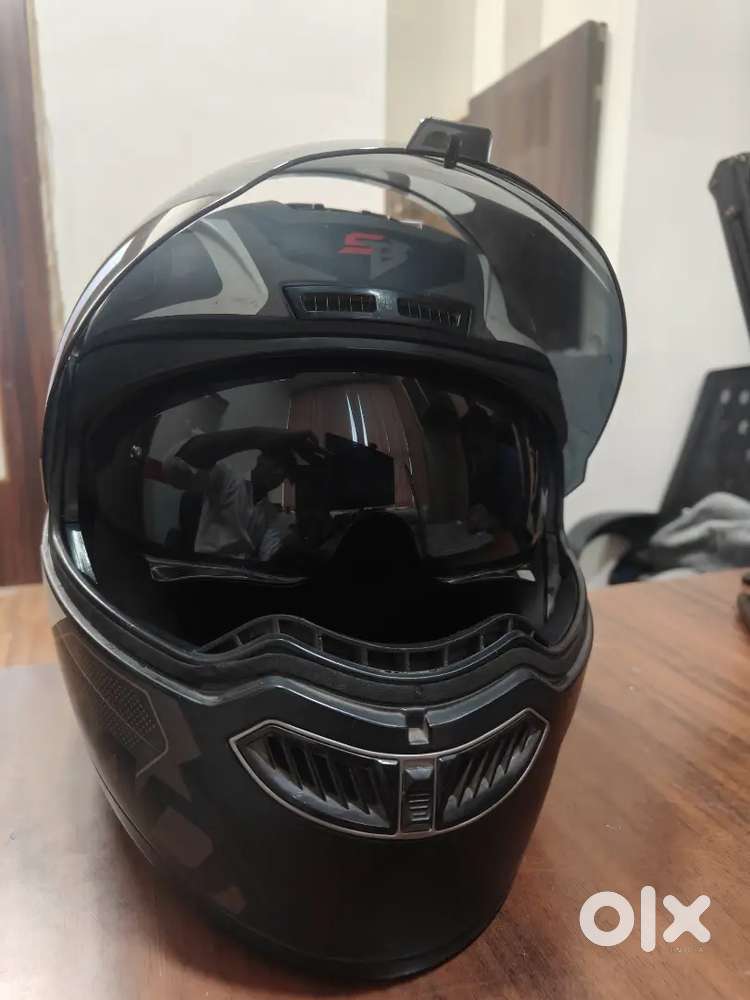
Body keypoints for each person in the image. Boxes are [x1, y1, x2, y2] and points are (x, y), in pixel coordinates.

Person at [160, 427, 322, 561]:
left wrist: (294, 544)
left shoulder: (271, 514)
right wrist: (257, 437)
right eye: (276, 464)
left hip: (244, 577)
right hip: (209, 571)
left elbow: (268, 555)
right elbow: (174, 466)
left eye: (285, 470)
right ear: (260, 460)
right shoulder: (225, 479)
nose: (280, 473)